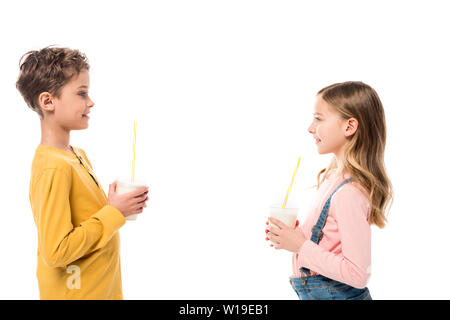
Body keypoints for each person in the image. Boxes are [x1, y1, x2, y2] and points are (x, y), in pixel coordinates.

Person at [16, 46, 149, 299]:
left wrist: (112, 205)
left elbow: (84, 221)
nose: (90, 102)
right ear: (48, 101)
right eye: (81, 93)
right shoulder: (53, 167)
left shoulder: (76, 154)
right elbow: (56, 251)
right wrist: (114, 212)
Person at [266, 81, 393, 300]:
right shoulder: (331, 178)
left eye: (318, 118)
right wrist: (295, 237)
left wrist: (301, 246)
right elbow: (330, 242)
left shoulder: (349, 192)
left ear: (349, 127)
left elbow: (357, 274)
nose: (310, 127)